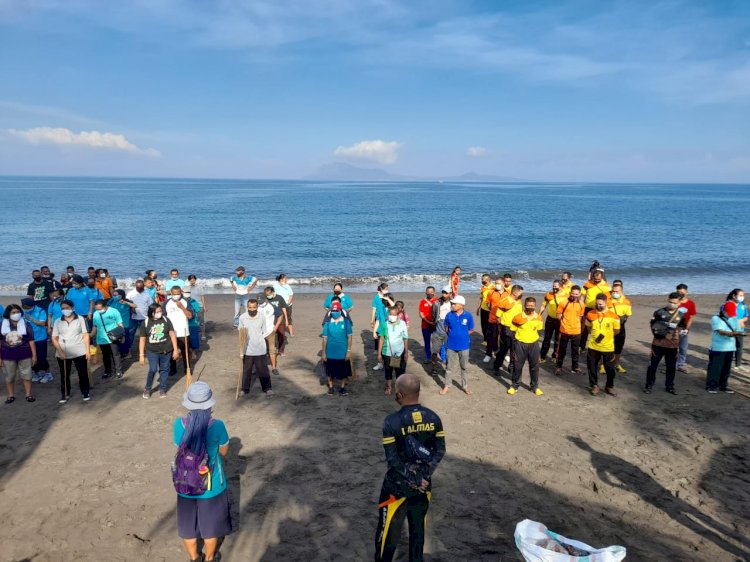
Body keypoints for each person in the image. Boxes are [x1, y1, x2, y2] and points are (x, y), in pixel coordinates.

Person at [375, 373, 445, 562]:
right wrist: (423, 476)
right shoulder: (434, 418)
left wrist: (411, 479)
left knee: (387, 533)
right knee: (417, 533)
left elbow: (393, 460)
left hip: (396, 486)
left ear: (399, 394)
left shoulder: (391, 422)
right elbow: (440, 450)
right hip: (423, 485)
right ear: (418, 392)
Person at [173, 382, 232, 562]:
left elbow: (179, 448)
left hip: (185, 484)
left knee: (188, 528)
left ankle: (193, 558)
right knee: (210, 528)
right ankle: (209, 558)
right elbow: (224, 452)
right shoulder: (217, 426)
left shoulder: (179, 425)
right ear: (209, 404)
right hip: (211, 485)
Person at [644, 292, 687, 395]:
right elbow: (652, 326)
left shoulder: (681, 315)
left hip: (672, 346)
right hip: (658, 344)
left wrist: (680, 333)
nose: (672, 304)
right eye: (670, 302)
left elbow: (682, 327)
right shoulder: (659, 312)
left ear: (679, 303)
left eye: (674, 303)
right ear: (668, 300)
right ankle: (649, 385)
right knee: (652, 366)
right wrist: (662, 334)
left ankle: (670, 386)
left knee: (671, 367)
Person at [51, 299, 91, 403]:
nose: (65, 310)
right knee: (64, 374)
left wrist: (88, 351)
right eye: (63, 308)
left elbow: (85, 335)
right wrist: (60, 352)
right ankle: (65, 393)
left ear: (72, 308)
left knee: (82, 373)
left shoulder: (80, 319)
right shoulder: (58, 321)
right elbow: (54, 338)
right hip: (63, 352)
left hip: (79, 351)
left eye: (67, 308)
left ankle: (85, 391)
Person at [139, 303, 180, 399]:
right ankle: (147, 388)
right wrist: (141, 355)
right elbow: (142, 339)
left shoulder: (166, 320)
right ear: (151, 313)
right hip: (152, 351)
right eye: (157, 312)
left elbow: (172, 335)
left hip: (166, 350)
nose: (160, 313)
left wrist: (175, 350)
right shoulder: (145, 323)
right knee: (153, 369)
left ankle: (162, 389)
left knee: (164, 370)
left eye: (160, 311)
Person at [585, 294, 621, 396]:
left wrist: (606, 336)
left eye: (600, 304)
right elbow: (588, 328)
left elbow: (617, 331)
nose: (598, 305)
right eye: (597, 303)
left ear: (606, 303)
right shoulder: (590, 314)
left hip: (608, 347)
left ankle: (609, 386)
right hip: (593, 346)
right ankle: (594, 386)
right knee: (592, 367)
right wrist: (594, 336)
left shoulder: (614, 316)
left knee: (610, 368)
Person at [1, 304, 37, 403]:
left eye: (18, 312)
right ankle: (10, 395)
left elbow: (31, 341)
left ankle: (28, 394)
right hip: (7, 355)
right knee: (9, 376)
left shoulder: (26, 325)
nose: (16, 314)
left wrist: (34, 355)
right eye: (13, 312)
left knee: (27, 375)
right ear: (8, 314)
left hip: (25, 353)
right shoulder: (2, 325)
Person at [509, 297, 544, 396]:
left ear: (535, 306)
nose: (530, 307)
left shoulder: (538, 317)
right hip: (520, 344)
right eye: (528, 305)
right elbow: (512, 330)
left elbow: (538, 329)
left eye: (532, 306)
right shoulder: (518, 317)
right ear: (525, 305)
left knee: (535, 366)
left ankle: (534, 386)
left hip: (534, 344)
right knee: (517, 366)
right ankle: (514, 386)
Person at [440, 295, 475, 395]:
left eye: (454, 304)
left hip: (464, 346)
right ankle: (447, 386)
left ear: (461, 305)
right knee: (449, 367)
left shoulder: (468, 316)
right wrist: (453, 335)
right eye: (452, 303)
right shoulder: (449, 315)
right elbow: (446, 328)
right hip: (451, 345)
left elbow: (471, 329)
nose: (452, 305)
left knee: (464, 367)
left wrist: (462, 335)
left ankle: (465, 386)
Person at [238, 299, 274, 396]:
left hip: (260, 348)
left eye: (254, 307)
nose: (252, 309)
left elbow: (263, 331)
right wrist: (241, 349)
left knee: (263, 370)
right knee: (246, 371)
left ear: (257, 307)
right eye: (250, 307)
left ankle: (267, 388)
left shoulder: (261, 317)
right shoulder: (242, 317)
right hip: (247, 349)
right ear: (247, 307)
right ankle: (244, 389)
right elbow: (241, 332)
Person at [705, 301, 741, 394]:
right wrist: (732, 334)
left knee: (726, 368)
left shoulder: (734, 318)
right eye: (729, 313)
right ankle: (711, 386)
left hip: (730, 348)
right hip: (718, 347)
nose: (731, 315)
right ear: (724, 311)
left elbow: (738, 329)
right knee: (715, 368)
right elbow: (721, 331)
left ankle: (723, 386)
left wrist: (738, 333)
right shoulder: (716, 318)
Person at [322, 301, 353, 396]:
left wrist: (348, 351)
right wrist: (323, 353)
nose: (334, 312)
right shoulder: (327, 323)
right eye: (333, 310)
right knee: (329, 371)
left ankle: (342, 387)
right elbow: (324, 338)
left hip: (342, 352)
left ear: (340, 310)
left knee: (343, 372)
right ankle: (331, 387)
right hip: (330, 352)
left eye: (336, 310)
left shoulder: (346, 322)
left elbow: (350, 337)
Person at [493, 285, 523, 377]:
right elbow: (498, 316)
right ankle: (497, 367)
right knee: (503, 349)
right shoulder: (504, 301)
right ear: (515, 292)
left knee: (514, 350)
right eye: (521, 292)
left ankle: (511, 367)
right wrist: (501, 328)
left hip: (517, 328)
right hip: (506, 329)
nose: (522, 294)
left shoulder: (519, 301)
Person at [555, 285, 585, 376]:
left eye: (576, 294)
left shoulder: (581, 304)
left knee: (575, 351)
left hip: (576, 331)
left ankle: (575, 367)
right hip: (564, 330)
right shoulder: (564, 302)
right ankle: (558, 367)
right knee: (562, 350)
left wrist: (575, 325)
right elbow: (559, 315)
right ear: (570, 293)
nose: (574, 295)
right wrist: (564, 323)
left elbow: (580, 317)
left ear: (579, 294)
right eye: (573, 293)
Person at [379, 306, 409, 396]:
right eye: (390, 314)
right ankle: (389, 387)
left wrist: (406, 352)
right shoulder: (385, 324)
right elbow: (381, 338)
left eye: (394, 314)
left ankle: (399, 388)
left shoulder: (402, 324)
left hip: (400, 352)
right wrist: (379, 353)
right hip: (387, 352)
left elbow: (405, 338)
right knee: (388, 371)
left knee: (400, 371)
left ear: (397, 315)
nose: (392, 316)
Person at [91, 298, 124, 380]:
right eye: (97, 309)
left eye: (100, 309)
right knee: (105, 356)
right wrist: (91, 334)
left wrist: (122, 335)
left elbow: (120, 324)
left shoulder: (114, 311)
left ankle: (118, 371)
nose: (98, 310)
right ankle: (107, 371)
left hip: (113, 337)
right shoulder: (96, 314)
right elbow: (95, 326)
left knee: (115, 354)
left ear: (105, 306)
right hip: (102, 338)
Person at [21, 298, 51, 383]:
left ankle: (47, 374)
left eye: (25, 306)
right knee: (31, 357)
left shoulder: (40, 311)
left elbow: (42, 323)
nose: (23, 307)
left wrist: (31, 319)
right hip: (28, 338)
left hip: (40, 338)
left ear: (31, 306)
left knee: (41, 357)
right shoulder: (23, 311)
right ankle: (36, 373)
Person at [165, 286, 193, 377]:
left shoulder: (186, 302)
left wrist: (182, 307)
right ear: (171, 293)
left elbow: (190, 316)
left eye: (178, 293)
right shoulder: (166, 303)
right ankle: (173, 369)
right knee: (171, 351)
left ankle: (187, 368)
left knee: (185, 352)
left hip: (183, 331)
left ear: (181, 292)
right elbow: (163, 318)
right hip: (171, 332)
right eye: (174, 294)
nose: (176, 295)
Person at [580, 267, 610, 350]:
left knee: (599, 328)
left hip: (600, 310)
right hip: (587, 309)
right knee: (584, 328)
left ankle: (597, 345)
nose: (596, 281)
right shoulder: (588, 284)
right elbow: (582, 297)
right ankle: (581, 347)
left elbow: (608, 300)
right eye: (595, 278)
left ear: (602, 277)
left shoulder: (606, 286)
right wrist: (581, 307)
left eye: (598, 279)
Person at [607, 280, 632, 374]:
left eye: (617, 292)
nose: (615, 293)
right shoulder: (607, 300)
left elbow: (628, 314)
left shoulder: (626, 302)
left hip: (620, 327)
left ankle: (616, 364)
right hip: (608, 327)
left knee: (618, 347)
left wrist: (621, 321)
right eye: (613, 291)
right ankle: (602, 365)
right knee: (605, 346)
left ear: (621, 292)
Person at [126, 279, 153, 356]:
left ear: (143, 287)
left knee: (146, 334)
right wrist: (132, 309)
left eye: (141, 288)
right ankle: (128, 351)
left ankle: (147, 350)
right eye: (138, 288)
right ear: (136, 287)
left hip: (144, 318)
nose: (140, 289)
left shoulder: (147, 294)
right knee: (131, 334)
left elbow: (150, 305)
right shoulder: (130, 294)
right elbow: (127, 304)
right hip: (133, 318)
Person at [371, 283, 395, 370]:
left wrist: (387, 298)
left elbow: (393, 304)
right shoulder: (381, 308)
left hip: (391, 331)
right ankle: (380, 363)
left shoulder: (391, 309)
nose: (383, 301)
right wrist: (374, 331)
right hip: (381, 330)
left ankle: (391, 363)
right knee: (380, 348)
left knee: (390, 347)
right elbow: (378, 320)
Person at [539, 280, 563, 364]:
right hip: (550, 319)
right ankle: (542, 357)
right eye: (553, 286)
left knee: (558, 339)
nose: (554, 288)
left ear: (561, 286)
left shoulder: (566, 296)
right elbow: (543, 305)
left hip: (560, 320)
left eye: (556, 286)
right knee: (547, 338)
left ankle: (555, 356)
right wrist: (539, 315)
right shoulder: (548, 295)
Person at [429, 287, 452, 373]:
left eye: (446, 293)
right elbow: (433, 314)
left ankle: (447, 368)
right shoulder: (436, 303)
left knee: (448, 351)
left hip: (449, 329)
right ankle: (434, 368)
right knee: (435, 350)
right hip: (438, 328)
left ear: (450, 294)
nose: (444, 295)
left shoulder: (452, 303)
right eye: (443, 293)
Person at [675, 284, 697, 372]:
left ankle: (680, 365)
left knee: (683, 348)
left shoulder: (691, 303)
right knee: (672, 348)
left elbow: (691, 317)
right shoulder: (675, 302)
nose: (680, 294)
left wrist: (687, 329)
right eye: (678, 292)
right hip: (674, 328)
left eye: (682, 292)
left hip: (684, 328)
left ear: (686, 292)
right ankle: (671, 365)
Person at [264, 286, 290, 359]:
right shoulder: (265, 299)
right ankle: (268, 351)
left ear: (272, 292)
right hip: (269, 320)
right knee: (268, 336)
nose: (268, 296)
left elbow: (284, 308)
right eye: (266, 295)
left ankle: (281, 350)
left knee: (281, 336)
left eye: (269, 294)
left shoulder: (279, 298)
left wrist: (287, 320)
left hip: (280, 320)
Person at [483, 277, 505, 364]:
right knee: (491, 337)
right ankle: (488, 354)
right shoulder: (491, 292)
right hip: (492, 319)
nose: (497, 285)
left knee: (503, 338)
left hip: (504, 320)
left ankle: (503, 354)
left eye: (499, 283)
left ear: (503, 284)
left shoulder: (508, 294)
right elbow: (488, 304)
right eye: (496, 283)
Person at [109, 289, 136, 358]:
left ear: (121, 295)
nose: (114, 296)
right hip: (114, 324)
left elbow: (135, 306)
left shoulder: (126, 302)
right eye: (114, 295)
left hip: (125, 324)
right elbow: (106, 306)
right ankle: (120, 353)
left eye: (116, 295)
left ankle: (128, 353)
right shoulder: (112, 301)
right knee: (116, 339)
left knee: (126, 339)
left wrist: (125, 302)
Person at [724, 289, 747, 371]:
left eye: (743, 295)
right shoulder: (727, 305)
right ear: (734, 296)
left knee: (739, 347)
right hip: (729, 330)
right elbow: (723, 317)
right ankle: (727, 365)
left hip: (740, 330)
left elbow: (746, 316)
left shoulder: (743, 305)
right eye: (740, 295)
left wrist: (741, 321)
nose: (742, 297)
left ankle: (738, 365)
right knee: (728, 347)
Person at [417, 286, 437, 363]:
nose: (429, 294)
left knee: (438, 342)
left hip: (436, 325)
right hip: (425, 325)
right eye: (428, 293)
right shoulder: (422, 301)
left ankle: (443, 357)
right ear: (425, 293)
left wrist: (435, 322)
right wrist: (428, 322)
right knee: (427, 342)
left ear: (434, 292)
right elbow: (421, 314)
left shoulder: (438, 301)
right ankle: (428, 357)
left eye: (431, 293)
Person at [183, 288, 202, 361]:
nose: (187, 293)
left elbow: (198, 310)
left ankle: (193, 352)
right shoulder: (180, 302)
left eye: (188, 292)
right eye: (185, 292)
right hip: (183, 324)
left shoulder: (193, 301)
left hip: (193, 323)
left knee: (194, 339)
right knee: (184, 339)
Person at [187, 275, 207, 341]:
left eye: (193, 280)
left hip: (199, 306)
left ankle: (203, 334)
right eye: (191, 280)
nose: (192, 281)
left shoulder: (199, 287)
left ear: (195, 280)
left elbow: (202, 297)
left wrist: (204, 307)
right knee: (192, 321)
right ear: (189, 280)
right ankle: (193, 333)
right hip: (190, 307)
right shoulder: (187, 288)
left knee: (201, 321)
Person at [476, 274, 494, 341]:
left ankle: (490, 340)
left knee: (490, 326)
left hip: (491, 310)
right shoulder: (483, 288)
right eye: (482, 279)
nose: (482, 280)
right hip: (483, 309)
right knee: (483, 325)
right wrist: (478, 308)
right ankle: (485, 339)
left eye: (484, 279)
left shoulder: (494, 288)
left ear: (489, 280)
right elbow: (481, 298)